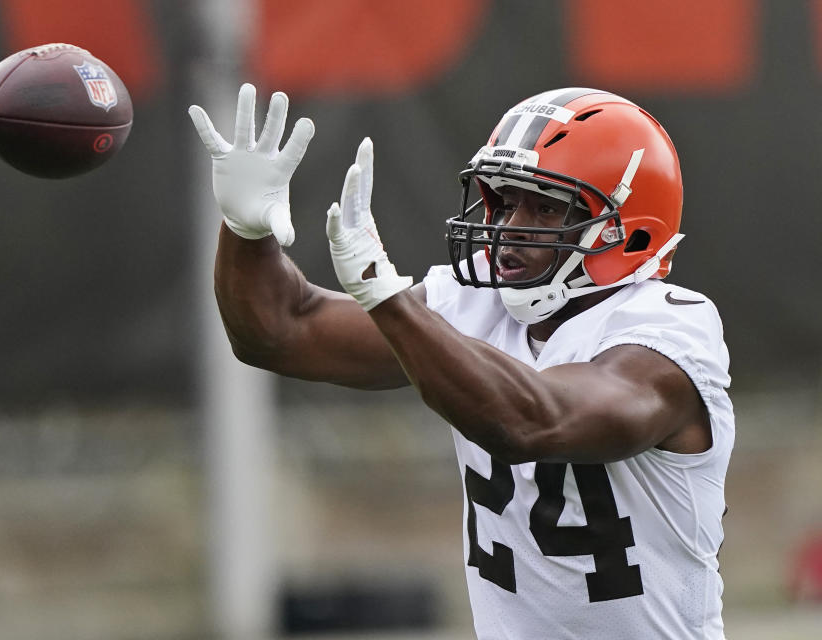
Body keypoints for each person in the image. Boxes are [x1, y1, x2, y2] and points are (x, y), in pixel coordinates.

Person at [189, 84, 734, 639]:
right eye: (504, 201)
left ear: (630, 231)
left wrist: (388, 300)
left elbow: (537, 421)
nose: (508, 228)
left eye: (546, 207)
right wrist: (246, 232)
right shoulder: (476, 301)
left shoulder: (672, 329)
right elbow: (280, 331)